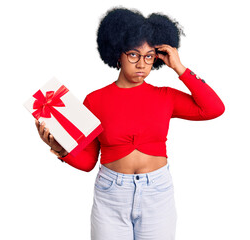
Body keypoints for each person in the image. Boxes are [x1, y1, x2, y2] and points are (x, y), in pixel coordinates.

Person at [35, 7, 225, 240]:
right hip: (110, 196)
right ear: (118, 53)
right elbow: (88, 162)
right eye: (134, 54)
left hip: (157, 193)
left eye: (149, 56)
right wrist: (60, 148)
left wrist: (179, 67)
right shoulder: (95, 100)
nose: (142, 64)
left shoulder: (166, 96)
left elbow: (214, 109)